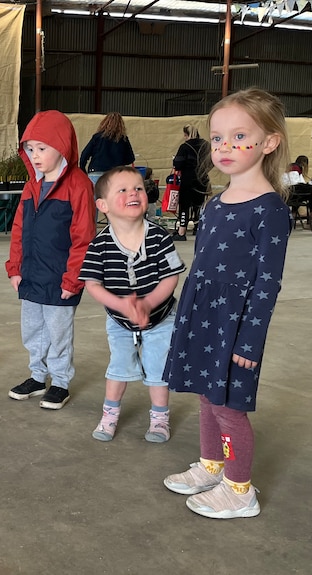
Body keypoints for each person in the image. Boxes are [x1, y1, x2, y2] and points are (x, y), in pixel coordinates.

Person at [162, 88, 292, 519]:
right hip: (203, 317)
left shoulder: (269, 209)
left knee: (228, 406)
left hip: (236, 327)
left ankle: (239, 490)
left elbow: (267, 284)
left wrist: (250, 342)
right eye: (218, 138)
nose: (225, 147)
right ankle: (211, 464)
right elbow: (202, 268)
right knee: (205, 396)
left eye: (240, 136)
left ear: (269, 142)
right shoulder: (216, 205)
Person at [78, 166, 185, 442]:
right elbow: (93, 285)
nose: (133, 193)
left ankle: (160, 418)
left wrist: (147, 304)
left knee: (159, 368)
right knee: (119, 366)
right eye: (122, 190)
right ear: (102, 205)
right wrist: (122, 306)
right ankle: (109, 415)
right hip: (119, 321)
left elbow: (170, 277)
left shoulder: (159, 237)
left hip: (161, 317)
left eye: (138, 188)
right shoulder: (99, 245)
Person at [6, 110, 96, 410]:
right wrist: (15, 268)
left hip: (61, 279)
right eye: (30, 149)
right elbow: (19, 229)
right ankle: (37, 375)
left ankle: (59, 382)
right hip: (31, 275)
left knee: (58, 333)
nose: (35, 156)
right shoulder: (32, 185)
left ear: (63, 147)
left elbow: (84, 237)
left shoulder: (79, 184)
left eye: (42, 148)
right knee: (32, 329)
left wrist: (74, 279)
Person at [171, 125, 210, 241]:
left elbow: (178, 164)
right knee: (199, 204)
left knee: (185, 205)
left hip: (187, 179)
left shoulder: (185, 147)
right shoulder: (206, 145)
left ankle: (182, 232)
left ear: (187, 135)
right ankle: (198, 228)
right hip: (202, 178)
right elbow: (212, 161)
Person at [78, 112, 135, 184]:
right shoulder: (123, 139)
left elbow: (84, 155)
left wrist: (83, 170)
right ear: (121, 125)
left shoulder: (97, 137)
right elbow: (130, 159)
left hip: (96, 171)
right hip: (115, 175)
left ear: (104, 123)